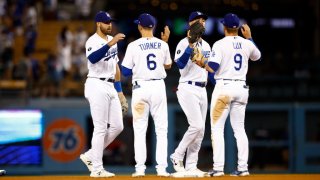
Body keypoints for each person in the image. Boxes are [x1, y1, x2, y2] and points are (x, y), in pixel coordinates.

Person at [205, 13, 261, 176]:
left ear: (224, 27)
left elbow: (212, 67)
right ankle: (243, 168)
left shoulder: (220, 44)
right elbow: (257, 57)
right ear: (238, 28)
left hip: (224, 88)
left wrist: (203, 62)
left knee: (217, 129)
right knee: (239, 129)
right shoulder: (246, 44)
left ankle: (218, 168)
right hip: (241, 89)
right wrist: (249, 38)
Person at [121, 13, 172, 177]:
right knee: (162, 130)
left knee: (140, 130)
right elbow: (168, 65)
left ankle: (140, 169)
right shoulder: (162, 44)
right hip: (158, 87)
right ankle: (162, 169)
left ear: (139, 26)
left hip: (140, 88)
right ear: (153, 27)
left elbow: (125, 71)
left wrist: (139, 65)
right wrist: (162, 47)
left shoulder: (133, 45)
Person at [79, 11, 127, 178]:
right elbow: (92, 58)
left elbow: (116, 68)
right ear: (98, 23)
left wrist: (120, 92)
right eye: (106, 22)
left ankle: (91, 155)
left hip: (110, 85)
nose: (110, 25)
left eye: (110, 22)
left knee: (117, 126)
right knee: (100, 127)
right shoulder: (92, 40)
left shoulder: (111, 42)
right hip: (95, 83)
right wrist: (110, 43)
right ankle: (97, 168)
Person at [170, 11, 214, 178]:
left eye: (204, 20)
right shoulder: (183, 43)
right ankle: (177, 155)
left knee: (200, 131)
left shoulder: (207, 45)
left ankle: (191, 166)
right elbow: (180, 65)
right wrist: (190, 46)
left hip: (202, 89)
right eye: (199, 20)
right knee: (196, 126)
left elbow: (209, 70)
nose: (202, 22)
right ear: (190, 23)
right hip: (188, 87)